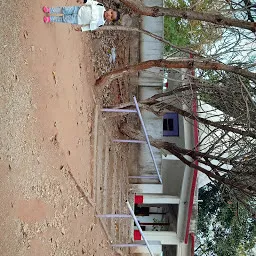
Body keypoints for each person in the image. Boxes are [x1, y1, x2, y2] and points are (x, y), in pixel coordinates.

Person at [42, 0, 120, 32]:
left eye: (111, 17)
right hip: (77, 9)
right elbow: (91, 2)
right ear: (110, 9)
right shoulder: (101, 6)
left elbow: (90, 27)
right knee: (63, 10)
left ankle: (50, 19)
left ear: (110, 20)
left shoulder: (101, 23)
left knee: (64, 19)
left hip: (77, 19)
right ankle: (50, 10)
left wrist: (82, 29)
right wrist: (84, 1)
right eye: (111, 13)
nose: (109, 15)